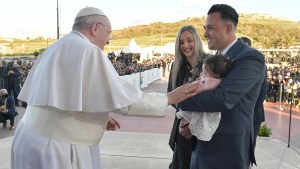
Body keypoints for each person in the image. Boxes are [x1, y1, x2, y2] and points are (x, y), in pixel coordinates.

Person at [11, 7, 199, 169]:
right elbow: (126, 101)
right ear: (95, 28)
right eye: (108, 34)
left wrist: (97, 115)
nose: (107, 42)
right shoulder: (88, 50)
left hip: (31, 137)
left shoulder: (56, 46)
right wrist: (168, 98)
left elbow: (62, 99)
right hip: (58, 148)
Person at [178, 4, 266, 169]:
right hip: (201, 148)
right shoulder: (215, 58)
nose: (204, 34)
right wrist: (192, 123)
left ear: (228, 28)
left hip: (227, 152)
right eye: (205, 28)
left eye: (210, 28)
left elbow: (222, 99)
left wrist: (178, 98)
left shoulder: (250, 58)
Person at [168, 25, 207, 169]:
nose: (185, 45)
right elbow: (171, 95)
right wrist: (187, 118)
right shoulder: (176, 66)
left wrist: (194, 121)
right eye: (181, 42)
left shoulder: (210, 62)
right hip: (183, 128)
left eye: (189, 40)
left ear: (197, 40)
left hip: (204, 127)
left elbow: (216, 97)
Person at [177, 55, 232, 141]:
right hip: (204, 108)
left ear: (216, 75)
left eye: (204, 73)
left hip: (202, 110)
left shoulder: (210, 81)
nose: (202, 74)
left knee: (200, 123)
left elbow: (199, 89)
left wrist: (188, 90)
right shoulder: (213, 80)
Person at [241, 36, 268, 149]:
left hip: (253, 114)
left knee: (248, 148)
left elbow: (262, 91)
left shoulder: (259, 64)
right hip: (246, 115)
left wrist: (252, 112)